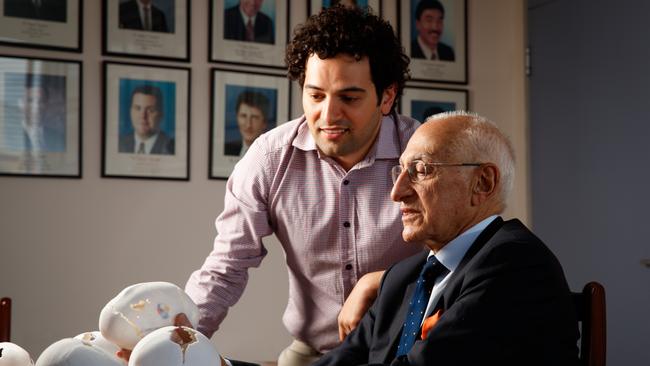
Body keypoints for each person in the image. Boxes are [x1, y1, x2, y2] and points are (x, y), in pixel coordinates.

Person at [185, 6, 422, 366]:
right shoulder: (269, 159)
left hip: (410, 347)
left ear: (386, 97)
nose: (328, 116)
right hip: (315, 351)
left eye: (349, 97)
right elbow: (225, 267)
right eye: (315, 95)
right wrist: (178, 344)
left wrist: (383, 280)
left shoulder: (424, 154)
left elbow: (467, 258)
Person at [314, 111, 580, 366]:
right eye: (400, 171)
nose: (397, 192)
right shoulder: (402, 277)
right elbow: (341, 360)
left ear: (483, 183)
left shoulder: (516, 264)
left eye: (420, 170)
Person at [118, 85, 174, 155]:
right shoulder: (119, 143)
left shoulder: (172, 147)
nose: (143, 116)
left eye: (150, 110)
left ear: (161, 114)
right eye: (137, 108)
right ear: (130, 112)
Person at [17, 82, 66, 155]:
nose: (36, 107)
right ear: (21, 104)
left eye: (41, 101)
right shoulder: (11, 136)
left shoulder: (58, 138)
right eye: (30, 101)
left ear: (46, 105)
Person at [224, 90, 270, 157]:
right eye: (243, 116)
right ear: (237, 118)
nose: (248, 125)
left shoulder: (269, 154)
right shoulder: (228, 149)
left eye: (254, 117)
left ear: (264, 122)